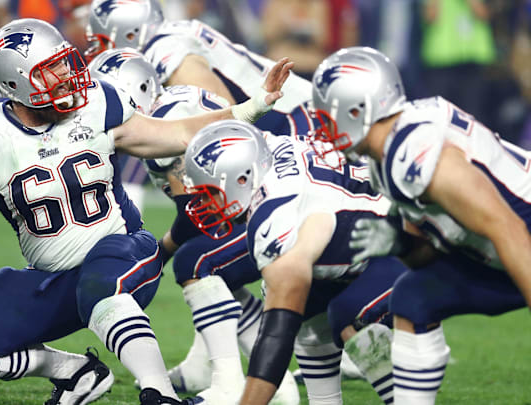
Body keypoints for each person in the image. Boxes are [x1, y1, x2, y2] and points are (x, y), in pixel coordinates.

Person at [0, 18, 293, 405]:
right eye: (52, 70)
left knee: (99, 280)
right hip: (55, 278)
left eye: (65, 62)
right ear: (16, 84)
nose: (67, 75)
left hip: (125, 252)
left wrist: (253, 107)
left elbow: (181, 134)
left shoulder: (98, 103)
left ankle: (160, 394)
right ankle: (75, 373)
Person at [308, 46, 531, 405]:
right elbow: (427, 256)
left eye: (328, 117)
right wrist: (399, 245)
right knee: (414, 295)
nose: (324, 129)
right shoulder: (386, 159)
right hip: (503, 249)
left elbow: (508, 228)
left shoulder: (417, 151)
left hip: (521, 238)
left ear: (357, 110)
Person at [87, 48, 300, 404]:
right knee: (217, 272)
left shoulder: (166, 121)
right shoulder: (172, 103)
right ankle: (278, 388)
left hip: (279, 202)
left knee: (196, 262)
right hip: (275, 195)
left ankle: (228, 384)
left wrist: (159, 255)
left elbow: (195, 214)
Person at [183, 119, 408, 405]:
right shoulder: (272, 145)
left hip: (417, 241)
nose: (207, 204)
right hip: (390, 221)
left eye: (211, 192)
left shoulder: (273, 218)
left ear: (242, 178)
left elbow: (277, 336)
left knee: (342, 312)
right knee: (311, 311)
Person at [84, 0, 313, 137]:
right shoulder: (173, 34)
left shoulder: (165, 52)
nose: (101, 51)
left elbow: (225, 118)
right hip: (296, 114)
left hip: (298, 122)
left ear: (130, 34)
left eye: (103, 42)